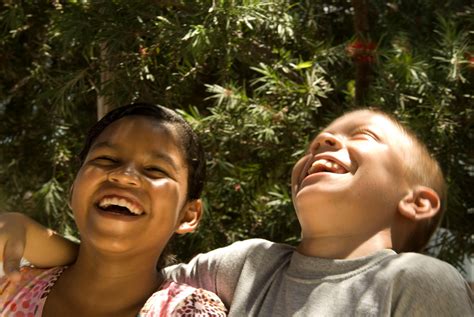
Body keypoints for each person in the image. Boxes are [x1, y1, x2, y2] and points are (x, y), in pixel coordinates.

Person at [1, 109, 473, 316]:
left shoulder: (418, 280)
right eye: (319, 140)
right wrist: (28, 237)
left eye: (362, 136)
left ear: (417, 201)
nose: (326, 141)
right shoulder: (248, 264)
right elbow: (118, 266)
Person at [0, 103, 226, 316]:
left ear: (188, 215)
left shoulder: (189, 309)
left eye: (156, 169)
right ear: (73, 190)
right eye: (107, 159)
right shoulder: (12, 287)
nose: (124, 175)